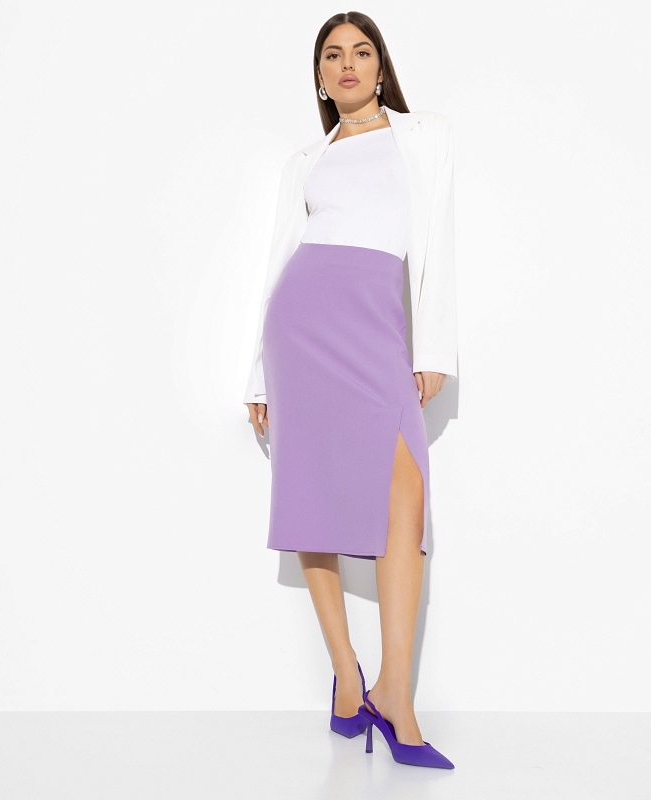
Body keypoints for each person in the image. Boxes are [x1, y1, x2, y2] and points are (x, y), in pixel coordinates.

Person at [243, 11, 458, 769]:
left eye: (361, 52)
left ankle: (396, 690)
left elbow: (439, 243)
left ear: (380, 66)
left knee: (406, 494)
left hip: (376, 325)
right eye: (333, 55)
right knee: (312, 496)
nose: (347, 65)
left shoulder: (425, 136)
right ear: (321, 77)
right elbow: (279, 258)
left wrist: (433, 349)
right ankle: (346, 676)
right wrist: (257, 371)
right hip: (301, 326)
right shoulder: (306, 160)